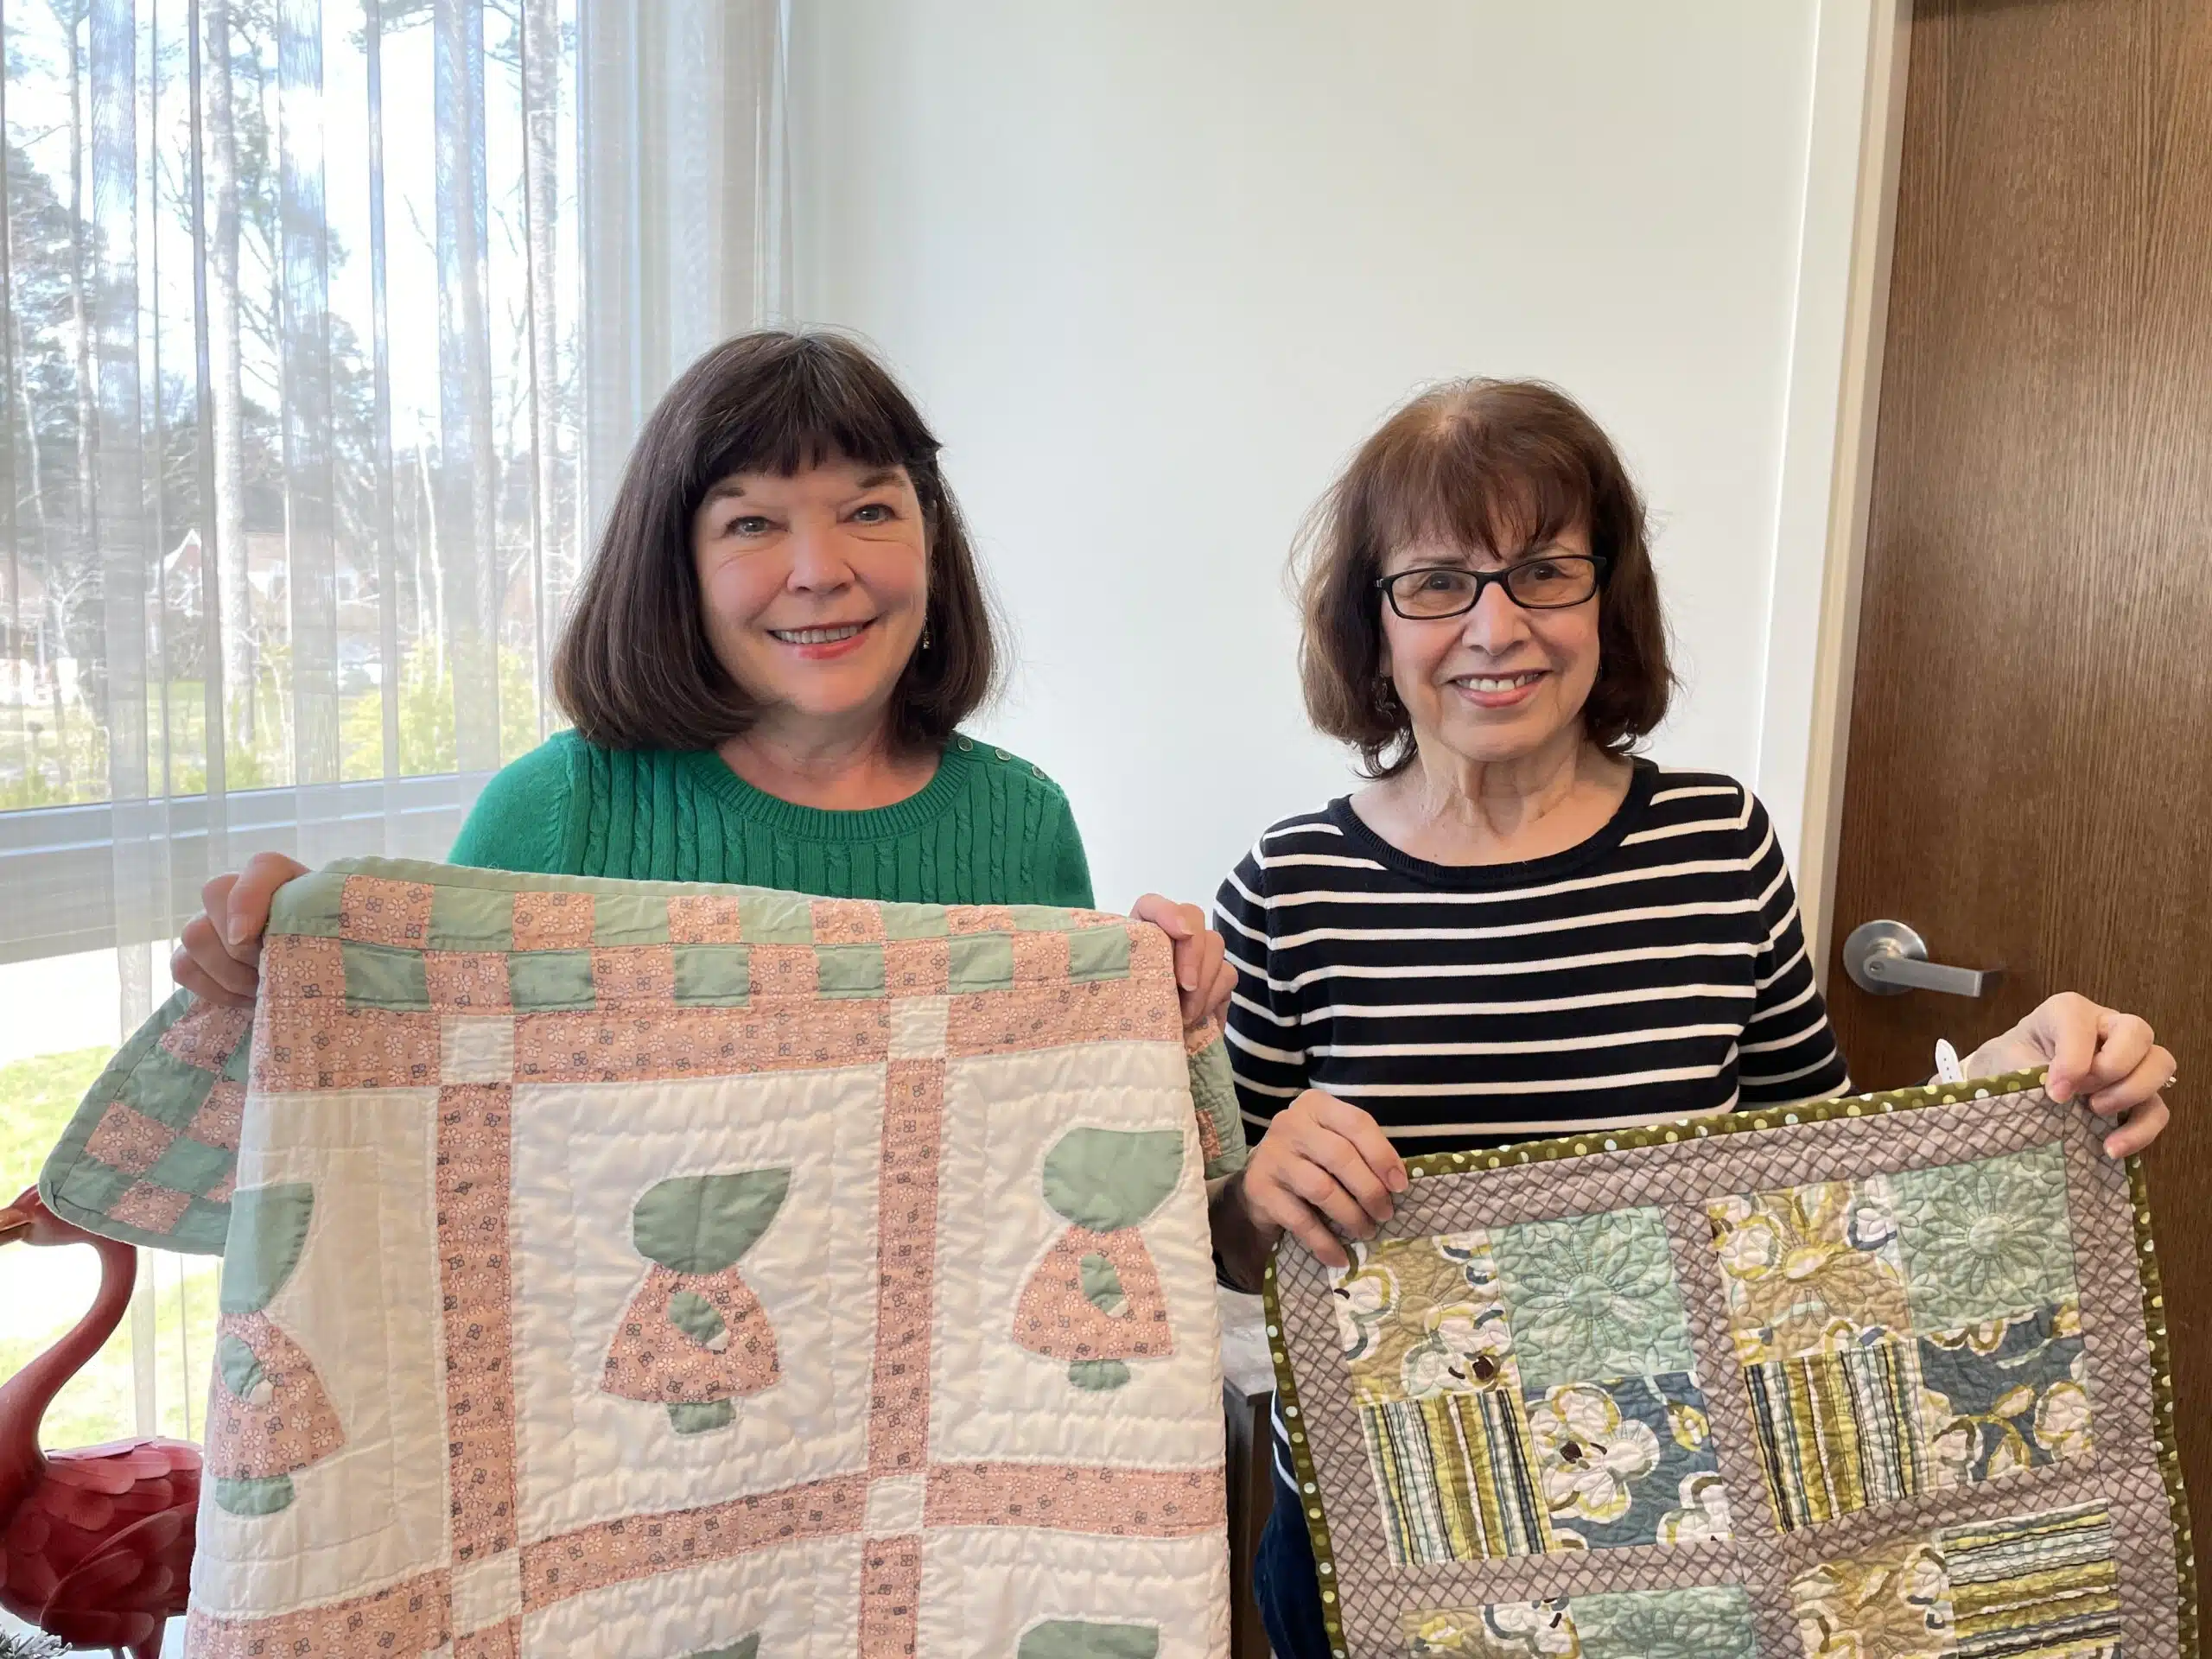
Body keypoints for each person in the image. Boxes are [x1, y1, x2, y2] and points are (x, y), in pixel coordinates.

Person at [1202, 378, 2177, 1657]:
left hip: (1686, 1534)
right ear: (1370, 625)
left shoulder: (1717, 847)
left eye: (1544, 570)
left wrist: (2013, 1075)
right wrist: (1252, 1196)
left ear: (1609, 598)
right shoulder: (1288, 891)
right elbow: (1218, 1248)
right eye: (1437, 582)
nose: (1495, 627)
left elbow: (1816, 1194)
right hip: (1386, 1545)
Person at [169, 330, 1236, 1028]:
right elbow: (414, 1133)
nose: (821, 572)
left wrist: (1161, 1016)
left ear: (932, 545)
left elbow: (1063, 1154)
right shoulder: (554, 815)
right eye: (751, 523)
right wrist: (280, 983)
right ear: (672, 568)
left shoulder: (1019, 819)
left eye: (871, 510)